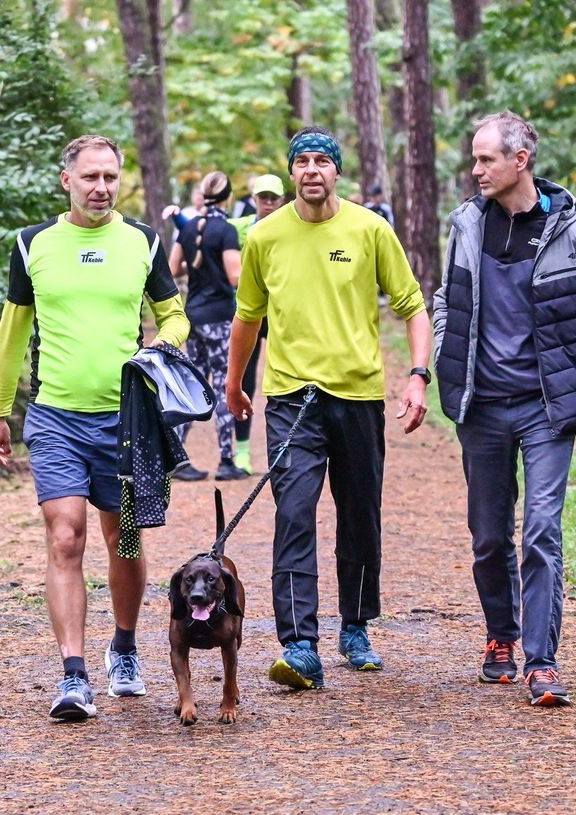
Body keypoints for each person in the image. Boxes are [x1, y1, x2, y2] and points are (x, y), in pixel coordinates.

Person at [432, 111, 576, 707]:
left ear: (521, 160)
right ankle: (501, 638)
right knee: (489, 537)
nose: (476, 169)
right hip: (480, 407)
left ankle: (542, 661)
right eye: (475, 158)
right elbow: (447, 298)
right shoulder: (466, 224)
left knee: (540, 530)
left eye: (487, 159)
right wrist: (441, 356)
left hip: (545, 407)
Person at [0, 134, 189, 721]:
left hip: (126, 420)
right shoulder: (33, 246)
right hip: (55, 416)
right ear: (66, 180)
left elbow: (175, 316)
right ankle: (73, 675)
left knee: (123, 540)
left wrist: (160, 347)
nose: (101, 188)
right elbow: (12, 334)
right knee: (66, 535)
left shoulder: (144, 243)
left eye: (110, 178)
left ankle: (123, 648)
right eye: (90, 177)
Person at [225, 126, 432, 690]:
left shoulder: (370, 229)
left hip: (359, 394)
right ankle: (299, 643)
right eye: (302, 161)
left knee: (359, 514)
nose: (312, 170)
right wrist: (235, 381)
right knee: (294, 512)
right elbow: (248, 316)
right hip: (292, 397)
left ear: (337, 170)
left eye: (322, 160)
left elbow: (414, 307)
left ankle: (356, 626)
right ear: (290, 172)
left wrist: (417, 375)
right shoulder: (265, 236)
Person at [168, 171, 248, 481]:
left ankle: (177, 458)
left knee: (193, 386)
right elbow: (235, 277)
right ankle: (227, 461)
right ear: (227, 198)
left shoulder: (187, 231)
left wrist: (200, 263)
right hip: (219, 318)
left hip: (193, 317)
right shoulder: (225, 230)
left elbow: (173, 269)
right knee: (225, 385)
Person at [227, 173, 286, 473]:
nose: (268, 203)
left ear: (282, 200)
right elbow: (213, 234)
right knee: (245, 379)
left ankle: (287, 450)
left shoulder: (293, 229)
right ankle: (242, 451)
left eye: (273, 198)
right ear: (254, 200)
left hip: (280, 314)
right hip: (250, 313)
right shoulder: (239, 229)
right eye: (263, 198)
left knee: (283, 379)